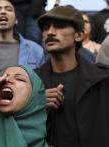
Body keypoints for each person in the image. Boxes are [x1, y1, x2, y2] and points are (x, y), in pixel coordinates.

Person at [35, 6, 109, 147]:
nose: (50, 32)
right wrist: (36, 108)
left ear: (79, 35)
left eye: (60, 26)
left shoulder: (102, 80)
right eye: (46, 27)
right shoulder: (31, 82)